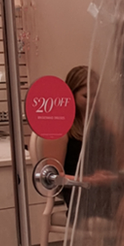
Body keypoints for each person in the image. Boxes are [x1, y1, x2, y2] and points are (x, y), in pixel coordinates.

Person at [39, 65, 88, 208]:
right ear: (71, 95)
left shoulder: (104, 125)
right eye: (86, 96)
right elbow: (53, 177)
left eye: (96, 95)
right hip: (79, 192)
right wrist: (86, 181)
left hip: (104, 189)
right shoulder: (60, 130)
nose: (93, 101)